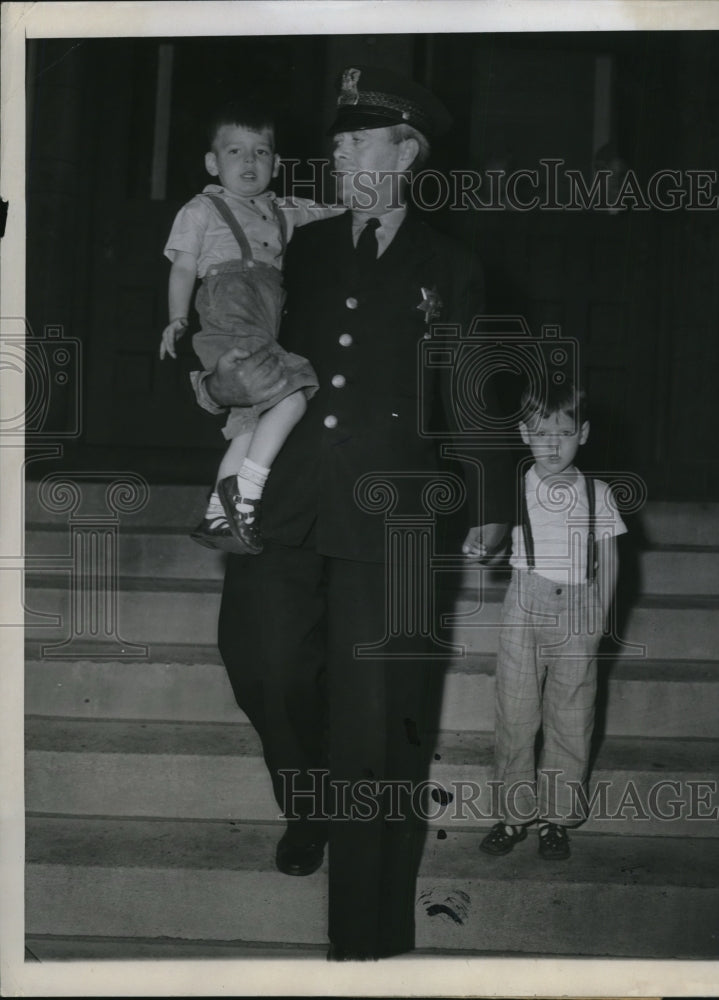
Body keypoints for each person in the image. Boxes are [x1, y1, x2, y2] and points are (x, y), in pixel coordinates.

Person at [191, 66, 513, 960]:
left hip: (397, 517)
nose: (337, 152)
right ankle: (310, 800)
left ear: (404, 152)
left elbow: (469, 380)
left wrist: (489, 492)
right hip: (288, 499)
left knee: (379, 725)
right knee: (259, 662)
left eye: (356, 140)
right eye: (335, 142)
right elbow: (247, 332)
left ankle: (367, 950)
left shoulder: (450, 263)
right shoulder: (304, 242)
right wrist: (218, 370)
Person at [160, 101, 341, 553]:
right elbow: (183, 267)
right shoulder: (202, 208)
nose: (249, 162)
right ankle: (248, 492)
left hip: (264, 319)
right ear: (212, 162)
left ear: (276, 164)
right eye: (235, 151)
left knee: (249, 422)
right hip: (228, 309)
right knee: (294, 394)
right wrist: (177, 317)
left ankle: (218, 518)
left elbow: (335, 213)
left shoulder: (283, 210)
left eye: (261, 152)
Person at [479, 378, 626, 861]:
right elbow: (495, 537)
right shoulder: (514, 485)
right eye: (541, 433)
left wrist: (600, 617)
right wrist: (485, 546)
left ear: (582, 433)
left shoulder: (597, 492)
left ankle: (555, 819)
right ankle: (511, 813)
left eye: (563, 433)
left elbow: (611, 559)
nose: (552, 444)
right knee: (516, 713)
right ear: (524, 433)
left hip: (580, 609)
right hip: (524, 604)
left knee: (572, 714)